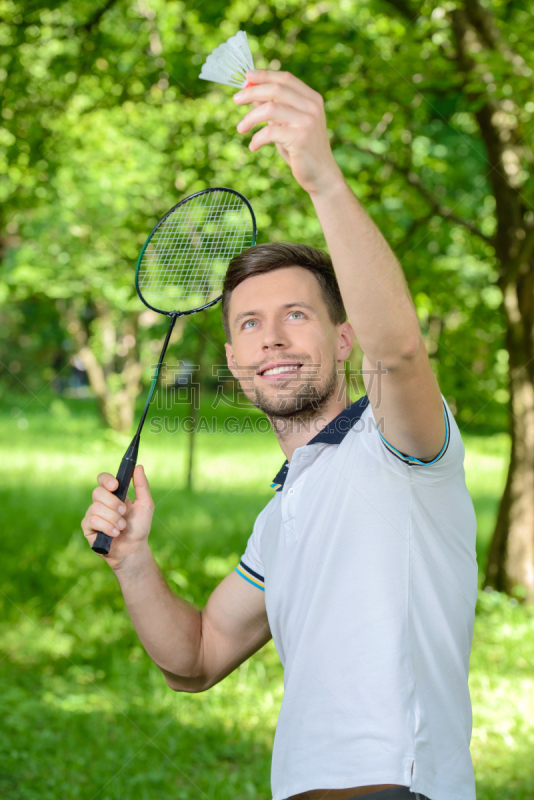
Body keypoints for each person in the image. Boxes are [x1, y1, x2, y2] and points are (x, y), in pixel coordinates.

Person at [81, 70, 478, 800]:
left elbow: (401, 353)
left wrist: (323, 179)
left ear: (343, 336)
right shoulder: (282, 516)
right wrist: (133, 561)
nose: (272, 340)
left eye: (297, 315)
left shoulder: (403, 451)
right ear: (233, 361)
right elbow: (195, 660)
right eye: (249, 325)